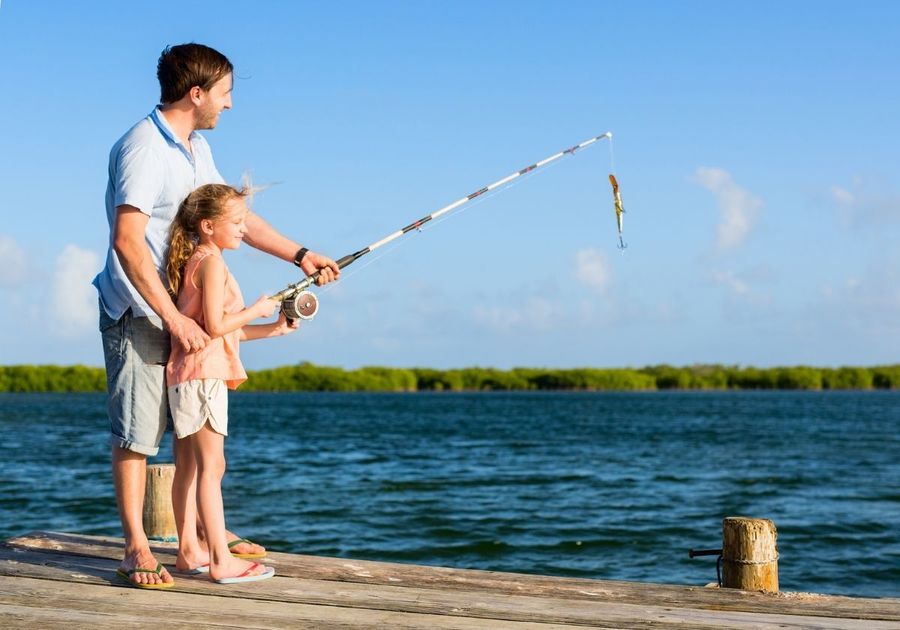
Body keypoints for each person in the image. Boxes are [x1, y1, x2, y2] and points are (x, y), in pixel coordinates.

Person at [93, 43, 339, 588]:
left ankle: (194, 541)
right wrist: (177, 321)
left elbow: (234, 219)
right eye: (225, 94)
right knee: (137, 434)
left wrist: (301, 255)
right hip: (138, 310)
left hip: (185, 315)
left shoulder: (195, 149)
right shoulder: (143, 148)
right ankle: (136, 547)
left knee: (187, 437)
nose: (229, 105)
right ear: (196, 92)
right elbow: (128, 243)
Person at [166, 183, 290, 583]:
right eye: (236, 222)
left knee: (187, 467)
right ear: (207, 225)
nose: (243, 229)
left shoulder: (198, 260)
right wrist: (255, 308)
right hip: (204, 376)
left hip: (189, 373)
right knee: (212, 468)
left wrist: (272, 328)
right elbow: (219, 325)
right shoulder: (212, 263)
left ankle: (188, 552)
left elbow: (215, 330)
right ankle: (221, 559)